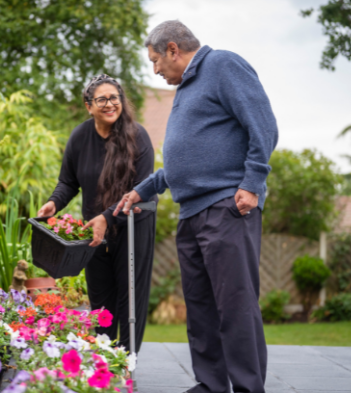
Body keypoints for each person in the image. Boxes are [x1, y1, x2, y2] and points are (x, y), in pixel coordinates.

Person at [115, 21, 278, 393]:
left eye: (156, 60)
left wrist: (252, 183)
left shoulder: (222, 66)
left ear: (173, 49)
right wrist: (144, 188)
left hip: (226, 206)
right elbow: (182, 161)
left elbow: (264, 125)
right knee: (201, 308)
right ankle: (211, 385)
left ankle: (249, 387)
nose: (155, 69)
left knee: (235, 306)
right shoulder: (186, 88)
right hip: (191, 212)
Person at [37, 74, 157, 352]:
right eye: (101, 99)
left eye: (114, 98)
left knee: (130, 299)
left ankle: (126, 361)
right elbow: (68, 182)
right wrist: (54, 203)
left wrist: (107, 216)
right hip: (95, 230)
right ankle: (103, 360)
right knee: (101, 300)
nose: (109, 104)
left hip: (133, 226)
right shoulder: (80, 137)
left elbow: (142, 188)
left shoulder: (138, 137)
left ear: (122, 101)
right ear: (88, 105)